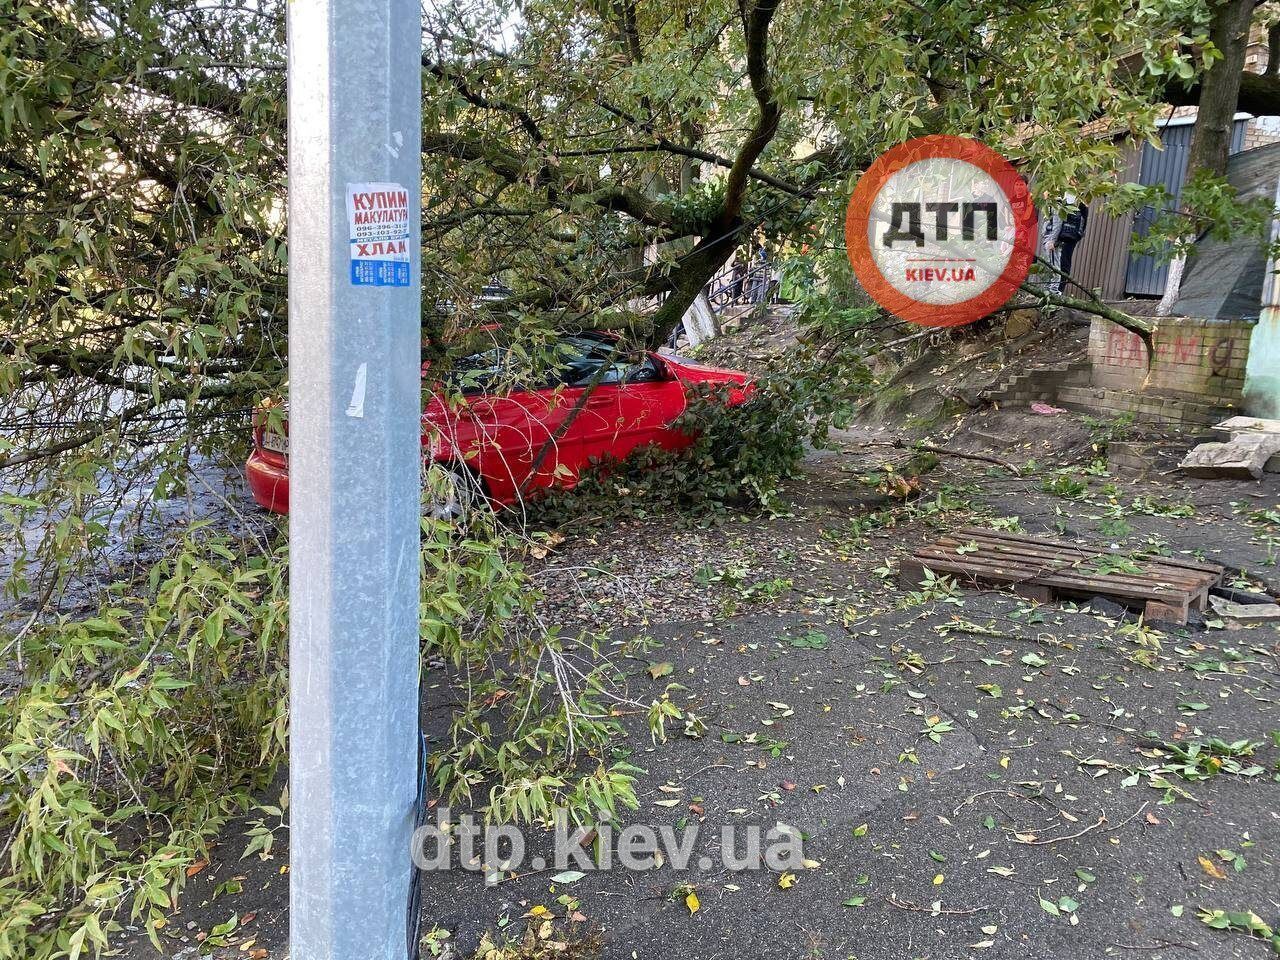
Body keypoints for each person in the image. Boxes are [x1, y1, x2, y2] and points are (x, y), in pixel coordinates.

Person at [1044, 193, 1088, 293]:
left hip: (1071, 236)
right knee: (1054, 262)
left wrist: (1078, 235)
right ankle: (1049, 288)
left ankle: (1059, 290)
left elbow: (1084, 218)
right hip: (1059, 234)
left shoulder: (1080, 200)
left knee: (1065, 261)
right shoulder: (1060, 196)